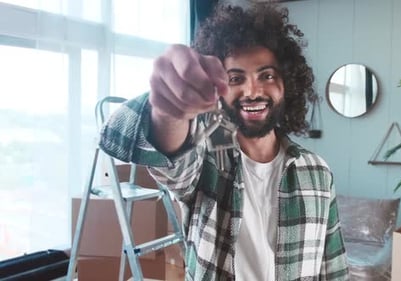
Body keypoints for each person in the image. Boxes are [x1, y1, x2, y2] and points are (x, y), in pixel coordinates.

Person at [100, 3, 349, 280]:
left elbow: (334, 267)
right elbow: (170, 156)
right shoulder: (205, 158)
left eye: (266, 75)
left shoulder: (318, 171)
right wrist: (169, 111)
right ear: (217, 87)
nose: (252, 91)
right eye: (236, 78)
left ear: (287, 84)